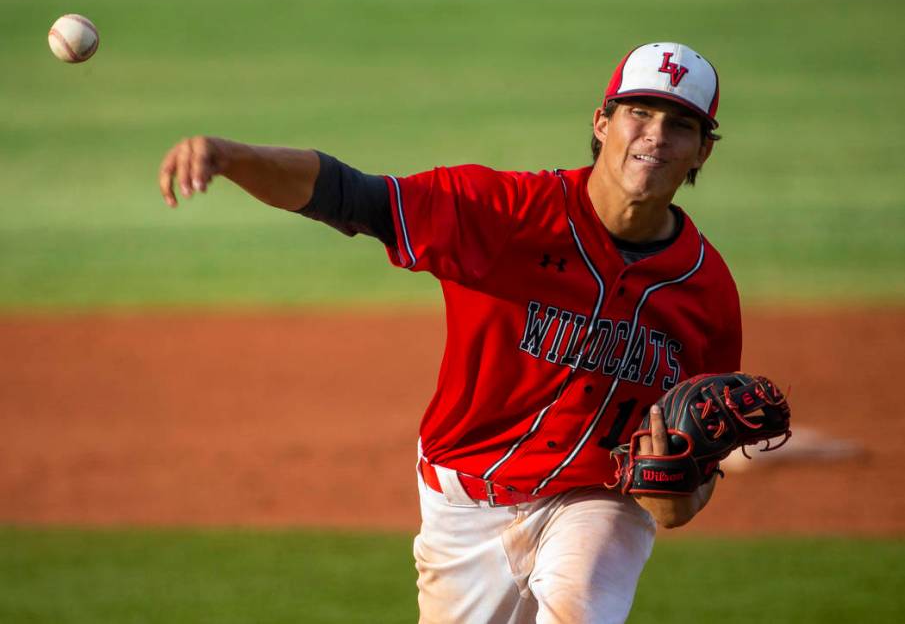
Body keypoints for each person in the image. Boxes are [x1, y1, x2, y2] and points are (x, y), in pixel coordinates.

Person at [158, 42, 741, 624]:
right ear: (602, 122)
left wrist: (677, 498)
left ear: (702, 151)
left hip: (598, 500)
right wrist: (231, 156)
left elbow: (691, 484)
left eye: (680, 124)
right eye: (640, 113)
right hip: (462, 503)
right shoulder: (505, 211)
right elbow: (348, 194)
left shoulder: (708, 293)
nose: (656, 135)